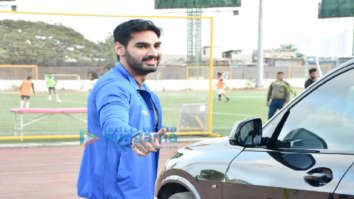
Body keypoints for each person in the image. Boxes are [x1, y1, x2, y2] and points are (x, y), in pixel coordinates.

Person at [77, 19, 166, 199]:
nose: (152, 53)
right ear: (120, 49)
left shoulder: (142, 89)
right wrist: (135, 137)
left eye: (156, 45)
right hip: (114, 192)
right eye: (142, 46)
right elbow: (113, 124)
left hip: (136, 190)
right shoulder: (114, 86)